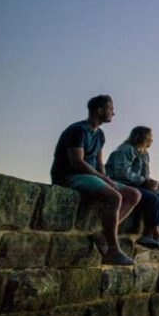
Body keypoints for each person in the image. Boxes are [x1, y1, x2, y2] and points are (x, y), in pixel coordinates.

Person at [51, 94, 141, 266]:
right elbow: (76, 162)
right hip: (70, 175)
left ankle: (102, 233)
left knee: (133, 194)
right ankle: (113, 250)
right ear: (99, 110)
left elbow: (100, 163)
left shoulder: (100, 134)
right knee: (114, 196)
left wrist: (105, 177)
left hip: (91, 176)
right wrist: (102, 179)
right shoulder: (77, 130)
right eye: (111, 108)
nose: (113, 113)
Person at [106, 126, 159, 252]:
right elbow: (121, 172)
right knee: (151, 198)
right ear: (143, 137)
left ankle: (147, 235)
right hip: (120, 183)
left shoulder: (144, 154)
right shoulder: (126, 150)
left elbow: (145, 175)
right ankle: (157, 235)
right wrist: (144, 181)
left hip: (134, 184)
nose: (152, 140)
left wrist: (151, 184)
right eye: (150, 137)